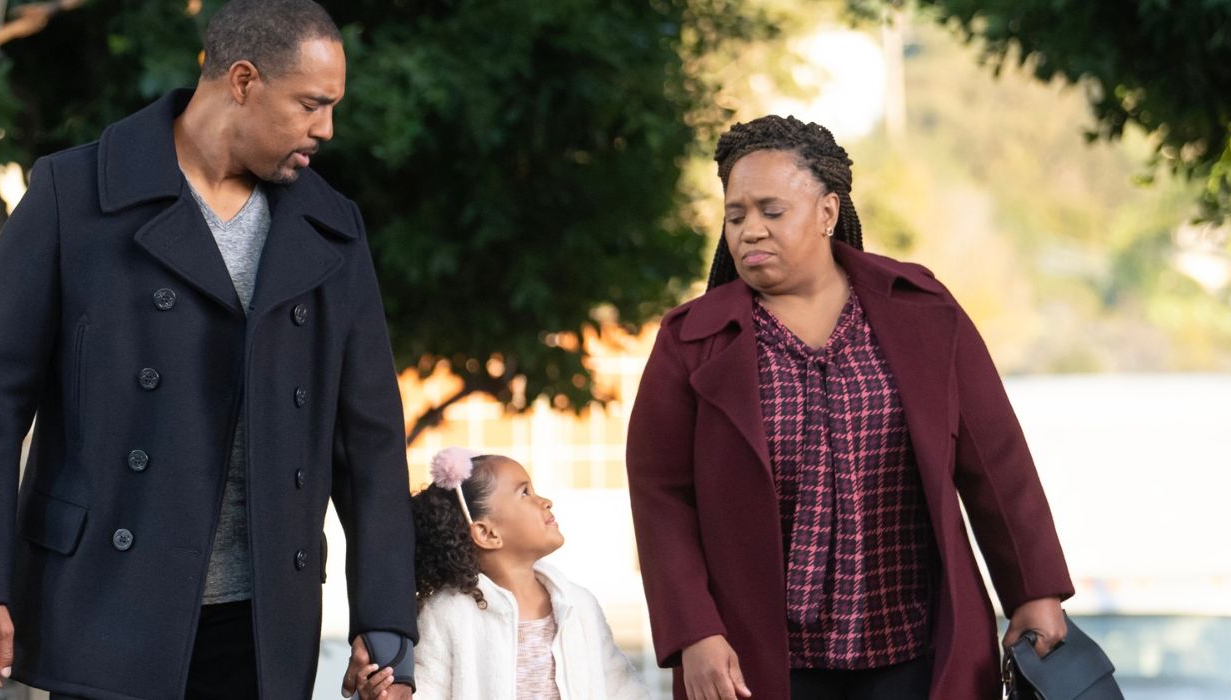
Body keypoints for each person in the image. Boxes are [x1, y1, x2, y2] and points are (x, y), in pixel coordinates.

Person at [0, 1, 416, 697]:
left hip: (261, 620)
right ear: (244, 80)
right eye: (312, 103)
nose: (327, 129)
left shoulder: (330, 228)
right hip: (107, 601)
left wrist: (386, 618)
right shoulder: (74, 196)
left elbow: (369, 438)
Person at [625, 115, 1074, 699]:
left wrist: (1033, 591)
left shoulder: (923, 309)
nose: (749, 231)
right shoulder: (690, 339)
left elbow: (996, 459)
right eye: (735, 216)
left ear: (828, 212)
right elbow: (661, 497)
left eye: (771, 211)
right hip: (755, 661)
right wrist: (695, 633)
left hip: (915, 648)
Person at [394, 447, 650, 699]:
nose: (546, 501)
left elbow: (622, 688)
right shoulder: (447, 614)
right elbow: (426, 690)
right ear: (487, 533)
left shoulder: (579, 605)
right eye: (525, 492)